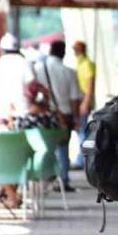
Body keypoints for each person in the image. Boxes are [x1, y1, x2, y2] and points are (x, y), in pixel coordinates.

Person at [33, 40, 82, 192]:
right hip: (64, 115)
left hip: (44, 114)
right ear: (63, 52)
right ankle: (63, 180)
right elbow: (75, 98)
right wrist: (76, 118)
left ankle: (45, 176)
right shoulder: (69, 72)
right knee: (63, 148)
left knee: (44, 146)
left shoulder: (38, 68)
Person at [0, 33, 33, 125]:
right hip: (24, 116)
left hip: (3, 117)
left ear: (1, 50)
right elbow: (32, 89)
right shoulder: (26, 64)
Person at [72, 41, 96, 170]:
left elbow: (90, 84)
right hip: (82, 100)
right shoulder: (81, 63)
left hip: (83, 100)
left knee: (82, 131)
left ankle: (81, 160)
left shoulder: (86, 64)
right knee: (81, 130)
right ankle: (81, 159)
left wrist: (86, 102)